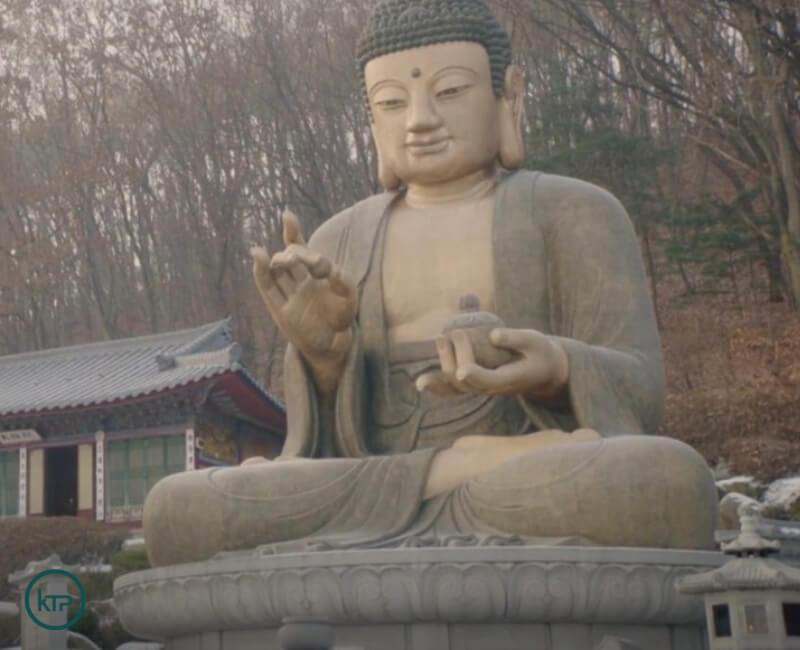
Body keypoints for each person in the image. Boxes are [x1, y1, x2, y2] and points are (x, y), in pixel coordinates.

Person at [143, 0, 717, 567]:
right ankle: (455, 471)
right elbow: (324, 445)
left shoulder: (574, 211)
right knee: (176, 508)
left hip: (524, 476)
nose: (419, 120)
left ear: (507, 95)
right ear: (372, 120)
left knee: (662, 480)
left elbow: (640, 396)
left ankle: (465, 473)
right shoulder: (340, 237)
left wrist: (555, 368)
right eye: (392, 102)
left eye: (449, 92)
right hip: (369, 479)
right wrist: (324, 357)